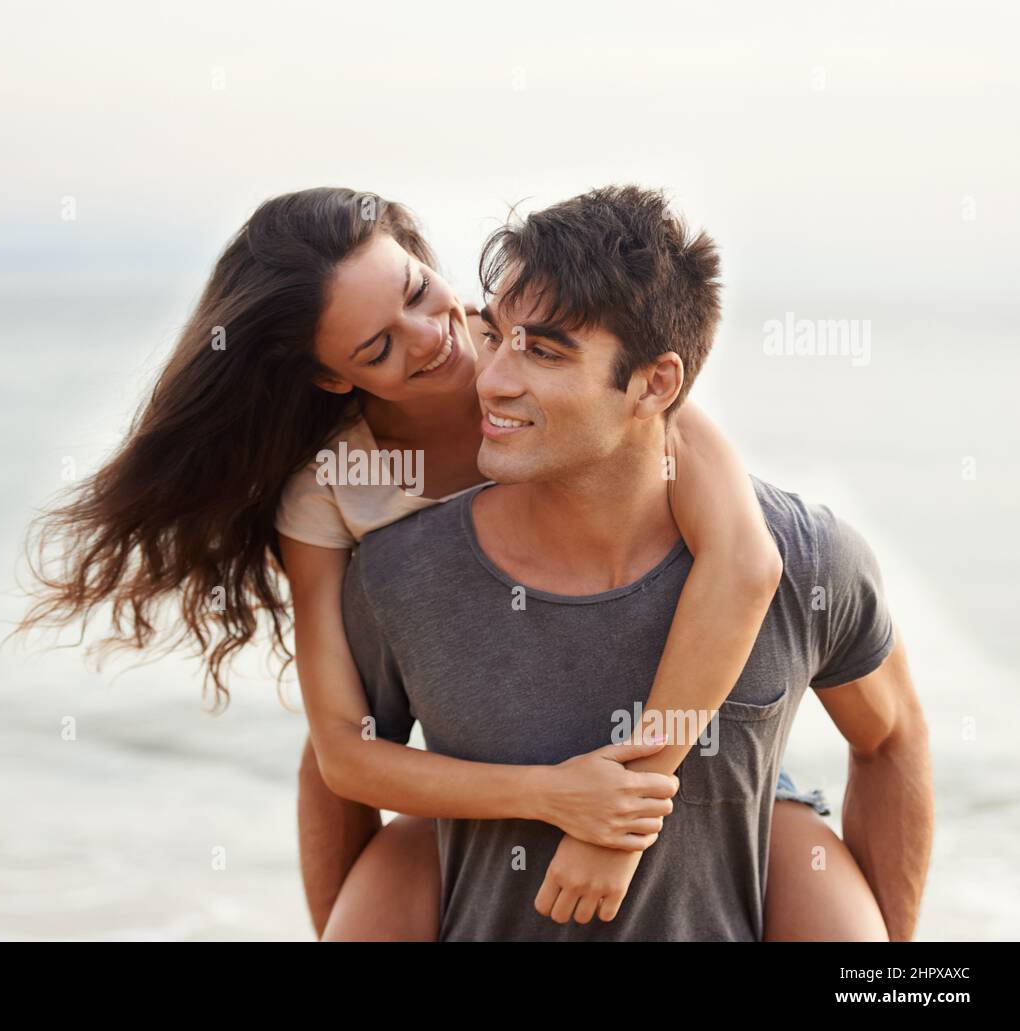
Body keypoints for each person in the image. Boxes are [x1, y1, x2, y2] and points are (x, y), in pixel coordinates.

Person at [18, 186, 904, 940]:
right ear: (333, 378)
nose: (438, 342)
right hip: (484, 766)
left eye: (417, 291)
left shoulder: (539, 346)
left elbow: (747, 561)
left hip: (696, 759)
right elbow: (344, 752)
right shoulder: (339, 492)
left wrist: (619, 813)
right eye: (378, 348)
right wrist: (555, 798)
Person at [324, 185, 933, 939]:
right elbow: (343, 769)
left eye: (545, 351)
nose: (492, 379)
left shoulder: (808, 561)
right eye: (501, 335)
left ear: (655, 383)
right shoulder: (400, 576)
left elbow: (891, 737)